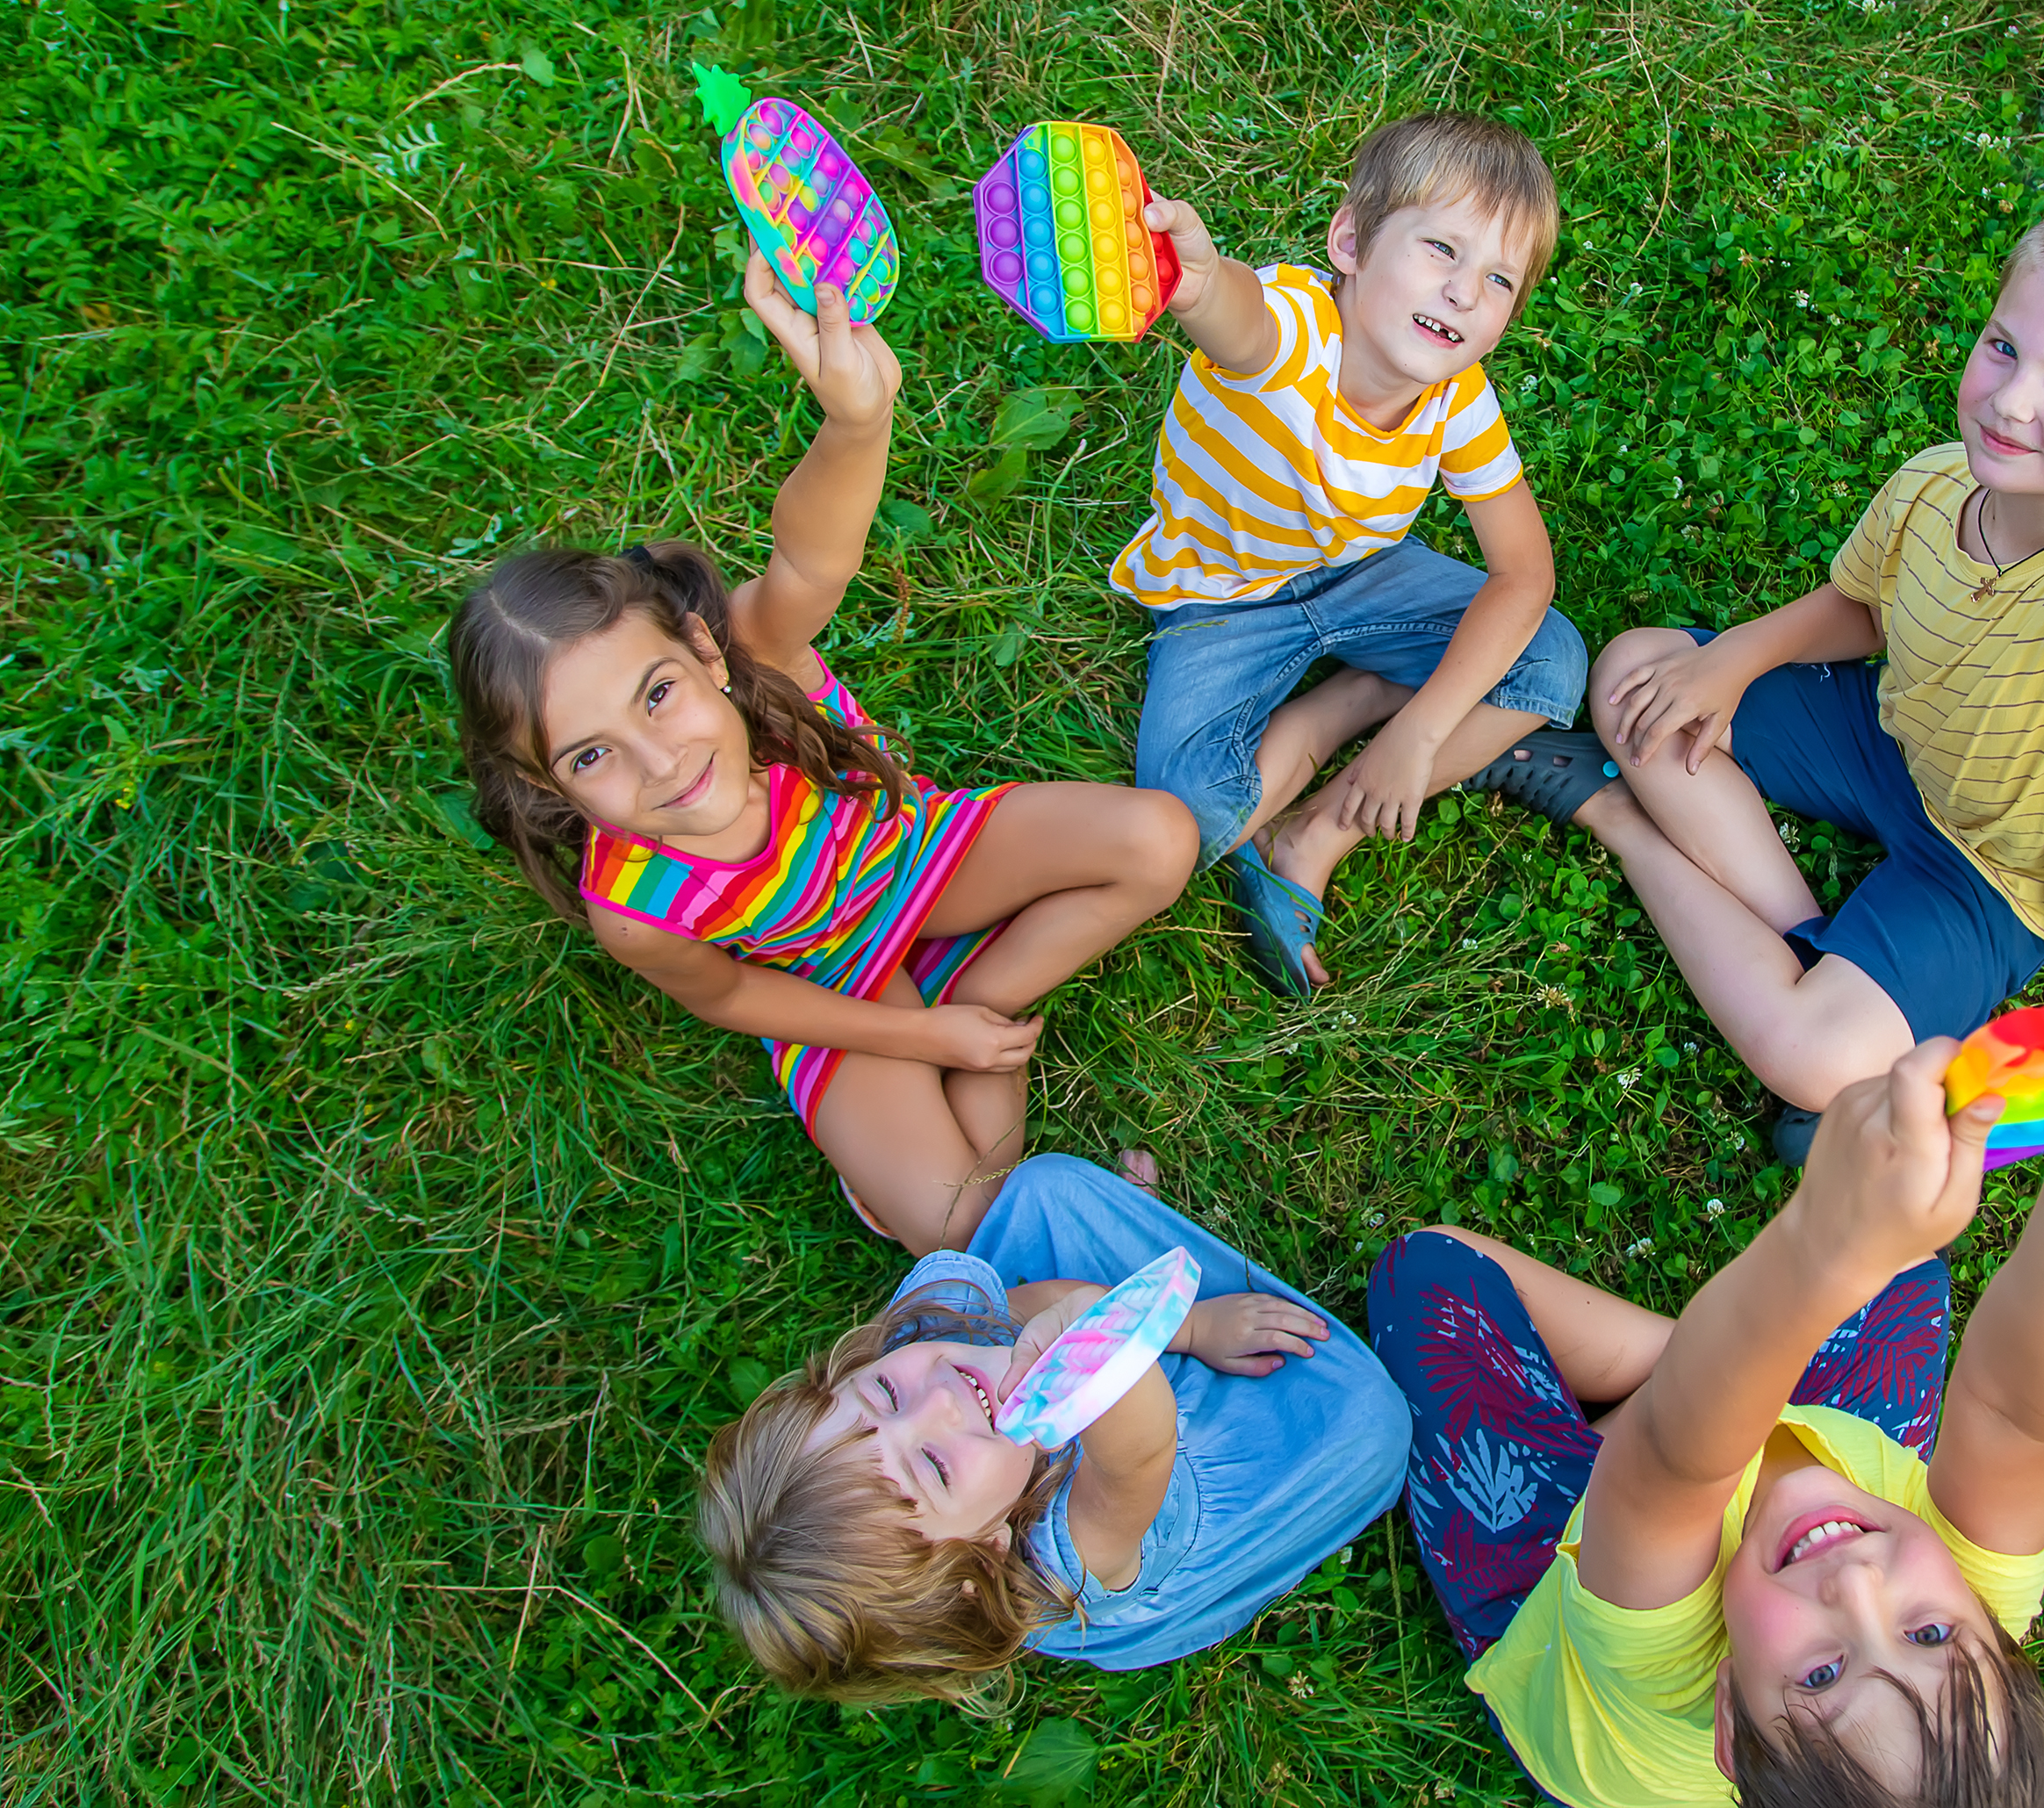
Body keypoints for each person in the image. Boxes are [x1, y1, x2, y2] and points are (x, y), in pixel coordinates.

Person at [1482, 192, 2044, 1162]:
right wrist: (1732, 656)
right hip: (1885, 736)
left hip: (1991, 870)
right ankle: (1805, 938)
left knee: (1814, 1060)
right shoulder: (1936, 479)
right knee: (1639, 670)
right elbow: (1861, 609)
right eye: (2003, 346)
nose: (2012, 398)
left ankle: (1614, 817)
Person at [448, 256, 1197, 1252]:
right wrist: (924, 1038)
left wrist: (857, 422)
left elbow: (812, 557)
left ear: (707, 650)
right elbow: (739, 995)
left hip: (925, 858)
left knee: (1159, 839)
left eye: (658, 695)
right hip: (835, 988)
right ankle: (969, 1070)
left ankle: (989, 995)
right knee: (964, 1231)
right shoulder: (631, 908)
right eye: (592, 758)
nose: (660, 762)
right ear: (546, 784)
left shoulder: (763, 660)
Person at [1369, 1026, 2044, 1806]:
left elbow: (1677, 1459)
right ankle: (1738, 1357)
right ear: (1994, 1631)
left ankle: (1727, 1356)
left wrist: (1829, 1243)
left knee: (1430, 1274)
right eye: (1925, 1629)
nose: (1856, 1584)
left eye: (1820, 1675)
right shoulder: (1966, 1604)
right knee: (1906, 1265)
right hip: (1719, 1456)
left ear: (1732, 1721)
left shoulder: (1665, 1676)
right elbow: (2019, 1416)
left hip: (1567, 1570)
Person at [1115, 111, 1587, 994]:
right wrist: (1200, 278)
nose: (1462, 292)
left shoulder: (1459, 401)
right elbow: (1236, 317)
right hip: (1221, 600)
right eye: (1440, 249)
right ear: (1351, 242)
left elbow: (1525, 574)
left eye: (1497, 279)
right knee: (1180, 815)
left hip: (1364, 576)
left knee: (1553, 661)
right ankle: (1343, 705)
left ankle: (1320, 830)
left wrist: (1423, 727)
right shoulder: (1292, 328)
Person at [700, 1153, 1408, 1704]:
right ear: (979, 1559)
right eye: (935, 1467)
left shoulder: (925, 1347)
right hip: (1166, 1469)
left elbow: (1013, 1308)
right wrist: (1140, 1336)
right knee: (1370, 1424)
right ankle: (1150, 1309)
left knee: (1045, 1189)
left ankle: (1147, 1298)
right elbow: (1141, 1447)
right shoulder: (1061, 1563)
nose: (938, 1400)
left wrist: (1178, 1326)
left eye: (882, 1391)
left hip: (1093, 1369)